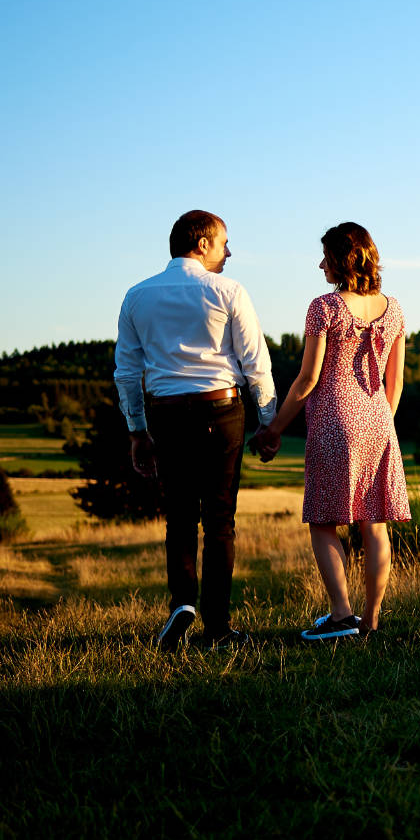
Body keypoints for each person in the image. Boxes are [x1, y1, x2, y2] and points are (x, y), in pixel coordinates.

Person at [115, 210, 277, 649]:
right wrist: (268, 423)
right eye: (224, 242)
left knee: (180, 516)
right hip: (220, 412)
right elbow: (255, 364)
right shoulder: (228, 290)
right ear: (201, 243)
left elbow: (127, 373)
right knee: (220, 520)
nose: (229, 251)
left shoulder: (137, 296)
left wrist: (137, 430)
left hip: (166, 414)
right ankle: (218, 628)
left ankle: (182, 604)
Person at [254, 222, 409, 639]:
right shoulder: (394, 309)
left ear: (341, 260)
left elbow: (307, 379)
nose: (320, 263)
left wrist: (273, 428)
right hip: (379, 421)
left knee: (324, 521)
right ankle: (372, 621)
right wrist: (381, 425)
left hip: (334, 421)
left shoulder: (324, 307)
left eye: (325, 256)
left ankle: (341, 616)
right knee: (374, 523)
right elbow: (394, 384)